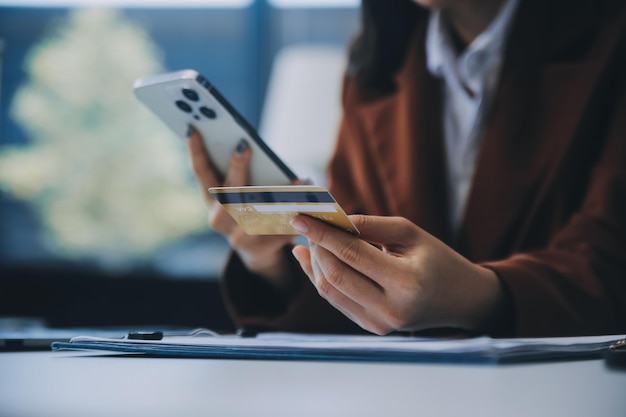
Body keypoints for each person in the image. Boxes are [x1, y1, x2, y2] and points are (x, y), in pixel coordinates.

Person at [187, 0, 626, 337]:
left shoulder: (611, 43)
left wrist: (477, 296)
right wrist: (270, 260)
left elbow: (609, 267)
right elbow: (367, 299)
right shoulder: (378, 71)